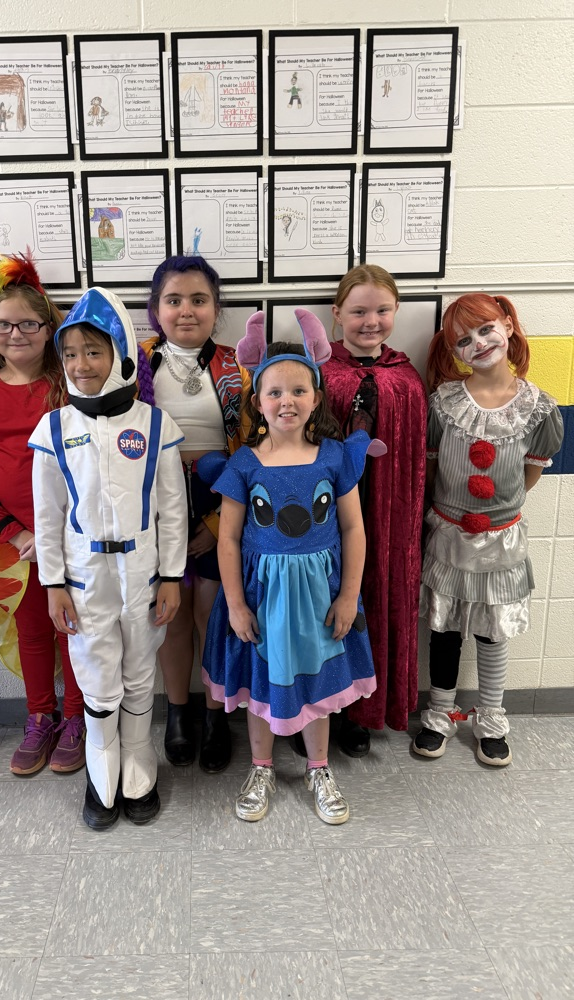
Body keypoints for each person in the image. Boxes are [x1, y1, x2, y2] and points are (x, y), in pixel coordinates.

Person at [202, 311, 380, 824]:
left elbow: (353, 529)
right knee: (262, 684)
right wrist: (236, 604)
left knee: (318, 687)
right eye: (275, 392)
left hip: (319, 598)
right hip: (262, 599)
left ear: (316, 398)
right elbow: (228, 538)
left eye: (299, 390)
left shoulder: (334, 458)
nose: (287, 401)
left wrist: (348, 596)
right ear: (257, 401)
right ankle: (261, 767)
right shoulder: (245, 463)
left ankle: (318, 768)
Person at [30, 287, 187, 830]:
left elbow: (173, 509)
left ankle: (138, 760)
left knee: (140, 669)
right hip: (83, 576)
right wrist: (53, 583)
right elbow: (47, 515)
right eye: (71, 353)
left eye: (94, 351)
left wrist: (172, 576)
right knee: (97, 674)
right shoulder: (55, 429)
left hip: (144, 573)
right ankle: (102, 764)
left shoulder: (155, 425)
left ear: (121, 354)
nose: (81, 364)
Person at [413, 293, 563, 766]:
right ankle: (440, 712)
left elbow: (530, 475)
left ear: (508, 327)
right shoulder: (443, 404)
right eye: (463, 340)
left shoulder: (538, 409)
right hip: (449, 534)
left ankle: (492, 717)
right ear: (453, 351)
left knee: (493, 630)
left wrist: (497, 513)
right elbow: (432, 469)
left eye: (485, 330)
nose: (477, 343)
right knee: (444, 626)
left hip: (501, 539)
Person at [0, 253, 85, 777]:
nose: (16, 334)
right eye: (4, 325)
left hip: (74, 534)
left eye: (29, 324)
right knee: (33, 630)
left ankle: (76, 719)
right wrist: (15, 533)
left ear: (48, 327)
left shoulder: (69, 384)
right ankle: (40, 718)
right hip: (16, 542)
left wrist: (66, 530)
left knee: (73, 627)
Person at [143, 255, 251, 773]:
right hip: (154, 504)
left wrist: (217, 524)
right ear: (156, 309)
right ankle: (178, 713)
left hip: (219, 500)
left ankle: (214, 713)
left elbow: (253, 452)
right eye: (174, 300)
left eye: (199, 300)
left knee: (214, 613)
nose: (186, 310)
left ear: (215, 307)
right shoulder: (133, 364)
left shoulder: (238, 369)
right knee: (171, 614)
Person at [321, 264, 427, 756]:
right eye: (359, 311)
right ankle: (322, 709)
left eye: (382, 310)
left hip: (387, 519)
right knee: (325, 604)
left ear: (396, 311)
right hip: (329, 516)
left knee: (374, 601)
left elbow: (415, 463)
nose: (371, 321)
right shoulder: (322, 374)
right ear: (337, 313)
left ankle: (362, 711)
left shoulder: (407, 379)